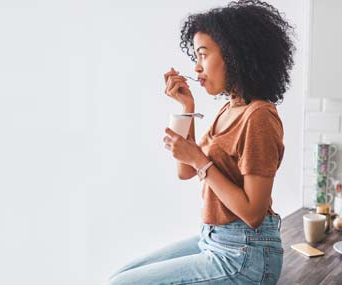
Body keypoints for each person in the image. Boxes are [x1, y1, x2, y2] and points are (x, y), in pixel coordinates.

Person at [109, 0, 295, 284]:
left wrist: (198, 159)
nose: (196, 68)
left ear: (234, 55)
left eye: (203, 55)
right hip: (216, 239)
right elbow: (185, 171)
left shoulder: (258, 117)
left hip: (247, 255)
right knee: (120, 276)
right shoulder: (229, 108)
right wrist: (187, 107)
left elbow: (253, 213)